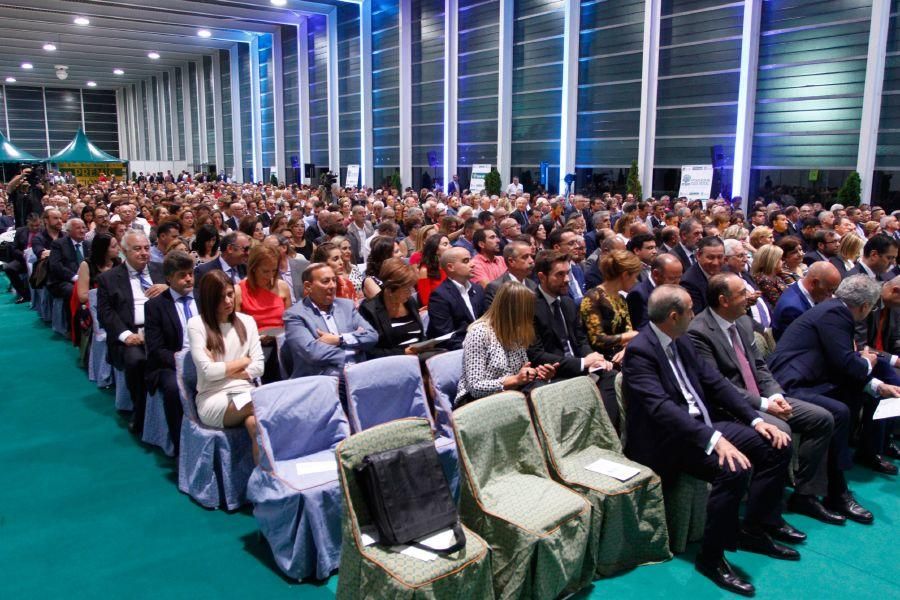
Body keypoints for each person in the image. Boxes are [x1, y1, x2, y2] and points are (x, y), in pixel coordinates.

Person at [622, 285, 795, 597]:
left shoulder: (682, 338)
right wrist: (714, 440)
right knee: (734, 468)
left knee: (776, 443)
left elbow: (716, 383)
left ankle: (755, 528)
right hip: (669, 440)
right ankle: (711, 558)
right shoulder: (641, 351)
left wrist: (756, 420)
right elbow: (661, 409)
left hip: (703, 427)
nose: (695, 314)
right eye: (690, 310)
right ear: (673, 317)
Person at [688, 273, 836, 527]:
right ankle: (766, 516)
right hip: (732, 406)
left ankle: (805, 494)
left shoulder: (743, 322)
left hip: (764, 397)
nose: (750, 298)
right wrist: (765, 406)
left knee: (822, 418)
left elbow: (760, 366)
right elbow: (718, 386)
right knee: (780, 432)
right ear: (723, 300)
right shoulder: (699, 332)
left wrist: (776, 395)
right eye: (742, 294)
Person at [768, 275, 900, 522]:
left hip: (810, 380)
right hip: (788, 385)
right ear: (864, 306)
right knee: (838, 412)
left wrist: (877, 385)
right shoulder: (836, 314)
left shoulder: (833, 310)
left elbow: (840, 365)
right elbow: (847, 364)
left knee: (852, 397)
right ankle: (829, 492)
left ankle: (832, 487)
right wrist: (866, 362)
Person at [187, 269, 264, 464]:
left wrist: (225, 370)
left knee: (256, 425)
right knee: (264, 404)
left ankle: (263, 477)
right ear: (209, 299)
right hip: (213, 398)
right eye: (221, 298)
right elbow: (209, 373)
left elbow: (260, 366)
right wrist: (244, 361)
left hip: (245, 392)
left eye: (230, 294)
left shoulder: (247, 321)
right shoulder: (197, 324)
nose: (228, 301)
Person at [527, 250, 615, 418]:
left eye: (567, 273)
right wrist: (582, 363)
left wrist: (594, 358)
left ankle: (611, 436)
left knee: (612, 377)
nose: (567, 279)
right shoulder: (530, 307)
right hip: (555, 374)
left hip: (580, 367)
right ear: (542, 276)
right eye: (560, 274)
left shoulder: (567, 302)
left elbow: (581, 340)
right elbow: (537, 355)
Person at [96, 230, 167, 435]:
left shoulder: (162, 271)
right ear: (124, 251)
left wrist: (167, 288)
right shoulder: (109, 278)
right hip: (132, 333)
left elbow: (185, 292)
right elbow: (106, 314)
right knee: (137, 361)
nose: (144, 253)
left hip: (162, 331)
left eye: (146, 248)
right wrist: (127, 335)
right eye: (137, 249)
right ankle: (141, 412)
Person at [456, 282, 557, 406]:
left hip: (511, 394)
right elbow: (475, 387)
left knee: (544, 391)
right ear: (514, 312)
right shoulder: (479, 333)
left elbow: (521, 371)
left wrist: (536, 374)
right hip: (476, 401)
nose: (532, 316)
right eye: (528, 311)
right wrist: (513, 380)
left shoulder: (517, 331)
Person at [282, 263, 378, 379]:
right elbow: (313, 353)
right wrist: (354, 350)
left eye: (334, 280)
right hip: (320, 381)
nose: (332, 286)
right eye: (325, 281)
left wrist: (339, 339)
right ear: (308, 286)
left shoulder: (346, 306)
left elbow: (372, 336)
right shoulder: (295, 315)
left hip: (356, 376)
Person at [144, 251, 197, 455]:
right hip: (172, 363)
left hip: (209, 358)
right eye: (182, 275)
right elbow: (156, 349)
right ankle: (181, 449)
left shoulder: (202, 297)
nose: (188, 279)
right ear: (169, 278)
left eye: (191, 273)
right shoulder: (155, 307)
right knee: (174, 390)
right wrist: (185, 363)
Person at [581, 249, 642, 370]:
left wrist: (626, 349)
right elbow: (597, 339)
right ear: (625, 275)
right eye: (635, 277)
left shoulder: (621, 298)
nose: (636, 281)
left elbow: (628, 330)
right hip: (601, 362)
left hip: (622, 356)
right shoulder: (593, 298)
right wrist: (633, 335)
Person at [359, 258, 428, 358]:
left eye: (410, 288)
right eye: (406, 289)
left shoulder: (409, 302)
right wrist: (403, 353)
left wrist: (425, 345)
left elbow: (420, 336)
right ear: (390, 290)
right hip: (393, 364)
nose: (410, 294)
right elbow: (370, 351)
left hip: (419, 358)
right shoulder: (369, 310)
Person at [427, 247, 486, 350]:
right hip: (457, 350)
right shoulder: (440, 296)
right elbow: (446, 335)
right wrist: (474, 348)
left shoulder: (478, 289)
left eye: (471, 259)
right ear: (450, 267)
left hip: (481, 345)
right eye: (466, 261)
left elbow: (487, 321)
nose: (473, 264)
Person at [771, 261, 841, 340]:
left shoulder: (801, 289)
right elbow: (802, 346)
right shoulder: (792, 309)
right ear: (814, 283)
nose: (830, 295)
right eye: (829, 290)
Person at [235, 244, 292, 331]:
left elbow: (290, 322)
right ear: (253, 268)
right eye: (265, 271)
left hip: (281, 339)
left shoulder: (282, 286)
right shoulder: (238, 291)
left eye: (274, 270)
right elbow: (236, 328)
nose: (270, 276)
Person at [626, 253, 683, 329]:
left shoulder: (675, 289)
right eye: (672, 279)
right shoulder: (638, 294)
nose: (677, 283)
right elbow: (643, 329)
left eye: (679, 277)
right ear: (656, 274)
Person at [484, 240, 537, 308]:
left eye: (531, 256)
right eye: (525, 257)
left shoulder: (533, 285)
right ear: (511, 261)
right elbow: (493, 317)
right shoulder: (496, 288)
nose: (531, 261)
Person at [679, 236, 725, 315]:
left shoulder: (726, 270)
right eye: (711, 257)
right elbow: (699, 317)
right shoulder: (689, 282)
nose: (716, 263)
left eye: (720, 257)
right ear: (698, 256)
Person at [48, 218, 90, 303]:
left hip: (86, 278)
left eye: (83, 228)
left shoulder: (88, 244)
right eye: (78, 228)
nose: (82, 231)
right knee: (72, 291)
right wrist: (74, 277)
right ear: (68, 231)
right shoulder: (58, 244)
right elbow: (56, 266)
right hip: (64, 280)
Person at [76, 233, 120, 305]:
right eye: (114, 246)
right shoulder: (86, 265)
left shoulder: (118, 262)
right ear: (103, 249)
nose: (118, 248)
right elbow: (82, 297)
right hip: (94, 306)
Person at [363, 236, 402, 300]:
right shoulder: (371, 281)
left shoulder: (398, 273)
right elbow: (385, 305)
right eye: (397, 251)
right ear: (386, 257)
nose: (401, 254)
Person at [416, 232, 450, 307]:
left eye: (449, 243)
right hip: (438, 308)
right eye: (445, 244)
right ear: (436, 250)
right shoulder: (424, 270)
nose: (450, 246)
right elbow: (426, 301)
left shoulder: (450, 265)